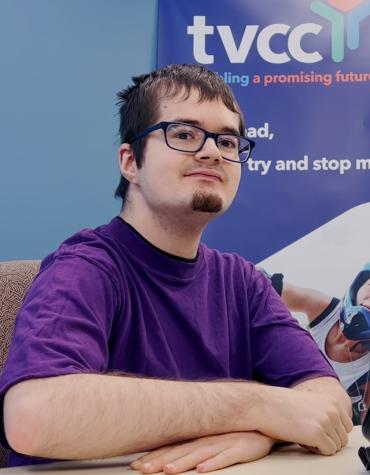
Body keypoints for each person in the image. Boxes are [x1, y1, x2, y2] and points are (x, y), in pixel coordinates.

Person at [0, 64, 352, 472]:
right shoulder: (84, 267)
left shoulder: (244, 282)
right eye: (184, 134)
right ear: (131, 161)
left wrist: (263, 432)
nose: (211, 152)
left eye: (227, 140)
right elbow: (33, 418)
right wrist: (256, 408)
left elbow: (330, 401)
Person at [267, 264, 370, 425]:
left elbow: (365, 429)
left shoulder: (367, 368)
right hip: (270, 392)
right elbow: (266, 288)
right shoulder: (326, 310)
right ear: (358, 286)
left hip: (306, 421)